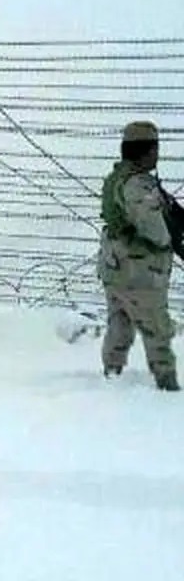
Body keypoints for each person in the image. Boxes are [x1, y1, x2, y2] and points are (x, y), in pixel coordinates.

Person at [97, 120, 179, 391]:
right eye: (155, 149)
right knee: (156, 326)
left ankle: (112, 374)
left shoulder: (121, 177)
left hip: (115, 265)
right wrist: (171, 240)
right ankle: (167, 384)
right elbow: (154, 228)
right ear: (145, 151)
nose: (157, 154)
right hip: (138, 269)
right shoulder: (137, 185)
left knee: (119, 323)